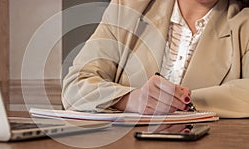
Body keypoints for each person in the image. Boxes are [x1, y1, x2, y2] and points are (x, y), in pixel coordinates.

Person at [62, 0, 249, 118]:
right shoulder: (126, 8)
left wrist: (178, 103)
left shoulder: (244, 24)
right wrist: (131, 100)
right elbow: (75, 84)